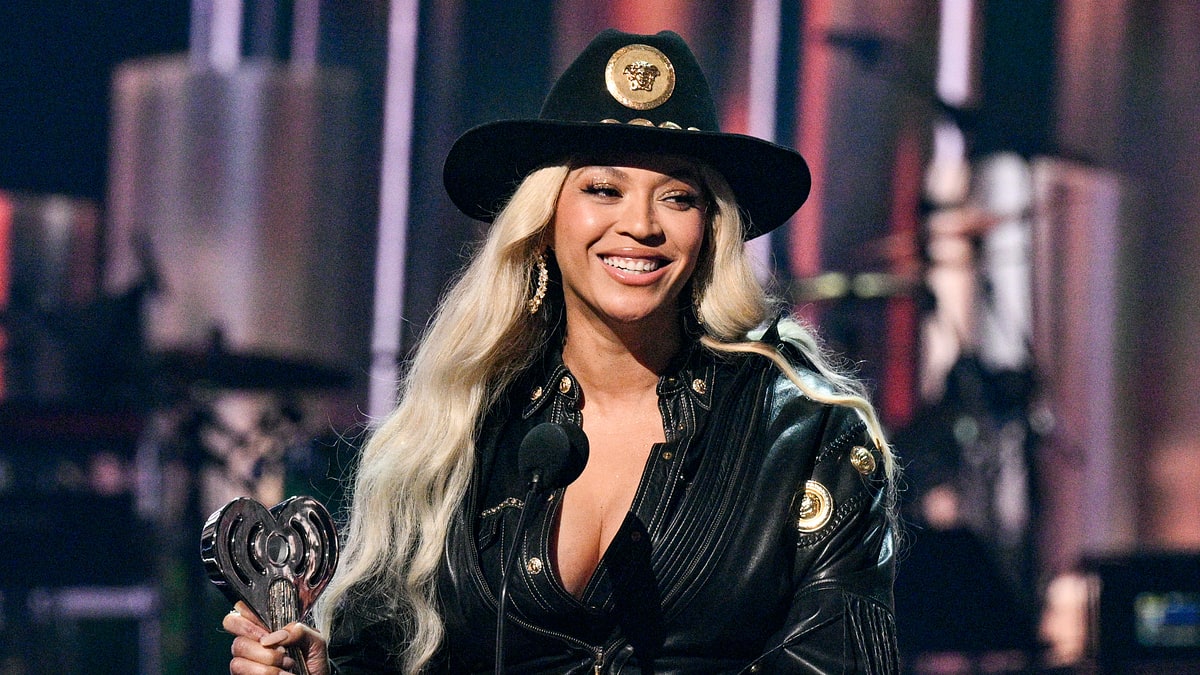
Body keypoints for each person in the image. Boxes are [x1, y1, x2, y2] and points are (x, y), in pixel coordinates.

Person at [224, 29, 899, 674]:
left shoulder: (808, 433)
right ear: (545, 217)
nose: (640, 224)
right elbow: (380, 656)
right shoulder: (457, 423)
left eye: (678, 195)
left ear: (711, 227)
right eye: (604, 188)